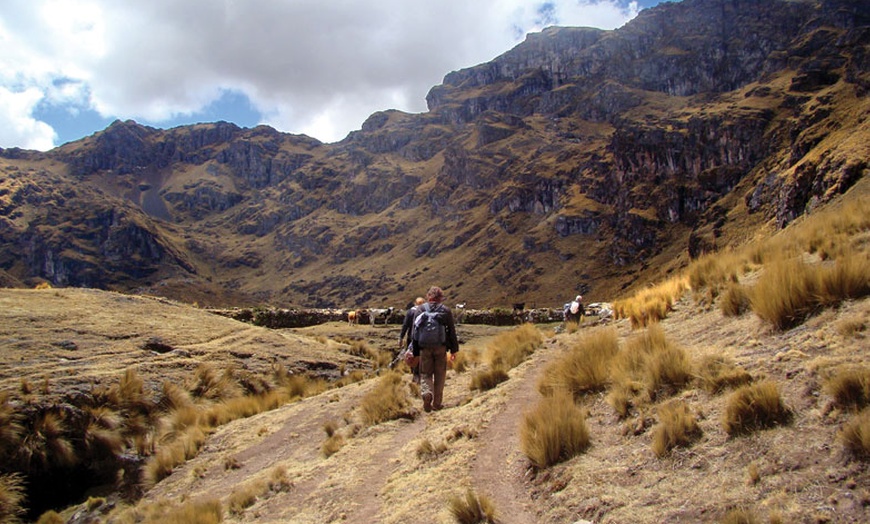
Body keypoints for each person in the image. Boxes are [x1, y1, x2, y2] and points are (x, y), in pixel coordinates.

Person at [412, 286, 459, 412]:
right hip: (441, 347)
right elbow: (451, 331)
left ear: (429, 296)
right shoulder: (446, 311)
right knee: (440, 374)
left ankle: (427, 393)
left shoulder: (420, 309)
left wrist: (415, 352)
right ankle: (437, 403)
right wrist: (454, 350)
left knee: (425, 373)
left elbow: (414, 331)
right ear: (440, 298)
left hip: (424, 348)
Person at [399, 296, 425, 383]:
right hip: (424, 338)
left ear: (415, 303)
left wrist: (401, 337)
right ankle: (420, 373)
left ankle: (415, 373)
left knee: (411, 356)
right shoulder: (426, 311)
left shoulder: (411, 312)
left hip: (412, 338)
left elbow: (405, 325)